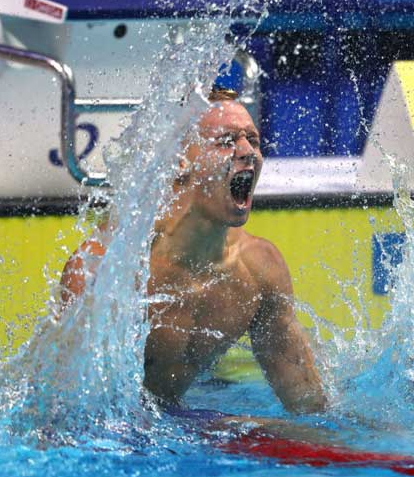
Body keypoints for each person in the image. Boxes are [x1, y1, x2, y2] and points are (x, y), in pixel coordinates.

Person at [59, 88, 327, 415]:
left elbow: (309, 406)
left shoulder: (259, 270)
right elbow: (69, 405)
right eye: (227, 141)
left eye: (252, 141)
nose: (248, 152)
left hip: (179, 424)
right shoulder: (108, 266)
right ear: (180, 161)